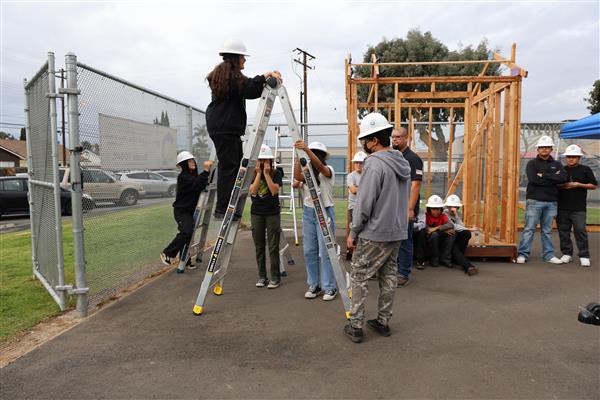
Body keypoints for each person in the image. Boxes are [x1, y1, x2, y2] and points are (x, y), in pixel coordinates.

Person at [344, 112, 410, 343]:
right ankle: (383, 321)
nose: (364, 144)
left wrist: (353, 232)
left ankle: (356, 325)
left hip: (375, 232)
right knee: (388, 275)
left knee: (360, 275)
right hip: (396, 230)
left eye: (365, 140)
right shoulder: (401, 161)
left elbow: (364, 204)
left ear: (373, 140)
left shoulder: (374, 164)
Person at [205, 39, 281, 219]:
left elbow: (248, 89)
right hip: (226, 126)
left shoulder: (223, 74)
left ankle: (224, 207)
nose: (245, 61)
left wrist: (262, 78)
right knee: (229, 167)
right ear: (236, 58)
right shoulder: (230, 76)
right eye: (243, 58)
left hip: (219, 124)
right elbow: (248, 88)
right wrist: (265, 77)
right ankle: (223, 209)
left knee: (229, 165)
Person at [293, 140, 338, 301]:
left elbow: (321, 169)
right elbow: (296, 177)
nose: (312, 158)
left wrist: (307, 151)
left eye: (316, 154)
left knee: (326, 251)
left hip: (325, 211)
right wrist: (299, 157)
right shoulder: (306, 173)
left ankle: (329, 286)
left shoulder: (328, 170)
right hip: (309, 213)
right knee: (309, 251)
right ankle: (314, 284)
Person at [516, 135, 567, 264]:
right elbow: (534, 180)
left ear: (551, 149)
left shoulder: (557, 163)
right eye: (542, 147)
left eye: (547, 147)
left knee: (547, 231)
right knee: (529, 229)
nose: (544, 149)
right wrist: (552, 178)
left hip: (551, 202)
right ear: (538, 149)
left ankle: (548, 255)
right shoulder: (532, 163)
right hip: (534, 201)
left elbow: (563, 179)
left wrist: (543, 175)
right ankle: (523, 254)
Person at [161, 151, 211, 266]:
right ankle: (167, 253)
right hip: (181, 211)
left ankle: (185, 261)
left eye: (192, 160)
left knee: (188, 236)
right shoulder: (183, 177)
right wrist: (206, 171)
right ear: (183, 164)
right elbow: (198, 184)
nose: (192, 162)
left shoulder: (192, 176)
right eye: (189, 161)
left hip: (189, 211)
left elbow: (200, 183)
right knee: (186, 232)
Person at [391, 127, 423, 287]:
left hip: (405, 209)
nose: (395, 140)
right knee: (393, 240)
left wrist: (410, 209)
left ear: (406, 138)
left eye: (398, 137)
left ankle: (403, 273)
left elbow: (416, 184)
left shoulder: (413, 158)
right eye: (393, 137)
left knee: (405, 240)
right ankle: (392, 270)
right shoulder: (394, 157)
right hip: (393, 207)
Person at [557, 144, 598, 267]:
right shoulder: (562, 169)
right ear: (566, 158)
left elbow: (594, 185)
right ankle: (567, 254)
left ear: (579, 158)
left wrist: (578, 185)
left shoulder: (585, 170)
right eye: (569, 156)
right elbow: (554, 184)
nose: (571, 159)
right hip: (562, 206)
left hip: (578, 208)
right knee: (563, 231)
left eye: (574, 157)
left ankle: (584, 255)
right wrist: (564, 186)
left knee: (580, 231)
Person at [249, 145, 283, 288]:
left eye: (265, 160)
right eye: (260, 160)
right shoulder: (252, 173)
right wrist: (258, 174)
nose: (263, 163)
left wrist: (267, 174)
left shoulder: (277, 173)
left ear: (270, 160)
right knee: (259, 245)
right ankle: (262, 276)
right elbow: (253, 191)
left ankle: (275, 277)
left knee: (273, 245)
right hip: (257, 213)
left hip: (272, 213)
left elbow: (274, 191)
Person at [414, 195, 455, 268]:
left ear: (441, 209)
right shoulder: (426, 215)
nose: (436, 211)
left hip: (438, 237)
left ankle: (446, 259)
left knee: (452, 233)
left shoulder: (442, 216)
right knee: (434, 235)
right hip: (427, 239)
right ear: (429, 209)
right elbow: (425, 227)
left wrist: (437, 228)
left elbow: (451, 224)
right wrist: (433, 229)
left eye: (438, 209)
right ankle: (434, 258)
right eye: (433, 209)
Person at [443, 194, 479, 276]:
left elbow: (462, 227)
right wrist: (469, 229)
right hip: (447, 239)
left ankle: (460, 259)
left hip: (455, 237)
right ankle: (468, 266)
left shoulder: (457, 214)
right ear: (447, 206)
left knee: (466, 233)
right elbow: (453, 226)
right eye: (451, 206)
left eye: (456, 206)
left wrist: (456, 216)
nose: (454, 208)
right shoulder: (444, 213)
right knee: (454, 247)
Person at [346, 151, 367, 260]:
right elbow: (353, 190)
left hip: (366, 207)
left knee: (364, 231)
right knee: (354, 229)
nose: (358, 165)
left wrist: (361, 189)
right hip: (354, 207)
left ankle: (361, 255)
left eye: (361, 163)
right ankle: (352, 253)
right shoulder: (351, 176)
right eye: (356, 163)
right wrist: (367, 189)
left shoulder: (368, 175)